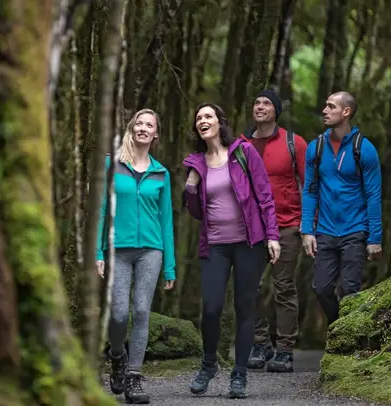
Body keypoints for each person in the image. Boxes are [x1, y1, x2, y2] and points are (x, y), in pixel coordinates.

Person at [182, 102, 281, 399]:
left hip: (249, 243)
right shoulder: (196, 162)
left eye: (208, 116)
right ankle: (208, 364)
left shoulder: (243, 152)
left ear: (219, 122)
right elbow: (197, 212)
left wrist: (273, 236)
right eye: (198, 117)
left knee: (244, 307)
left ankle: (239, 374)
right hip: (215, 244)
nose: (203, 120)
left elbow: (265, 196)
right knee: (211, 307)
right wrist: (190, 187)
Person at [96, 108, 176, 404]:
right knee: (118, 313)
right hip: (118, 249)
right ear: (132, 128)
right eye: (139, 123)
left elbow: (166, 221)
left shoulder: (161, 173)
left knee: (141, 310)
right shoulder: (112, 165)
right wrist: (97, 251)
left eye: (149, 125)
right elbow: (101, 210)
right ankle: (117, 355)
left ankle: (134, 376)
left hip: (151, 251)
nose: (143, 128)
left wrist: (170, 267)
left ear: (155, 134)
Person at [239, 89, 307, 373]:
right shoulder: (241, 144)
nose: (260, 106)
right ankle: (259, 342)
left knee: (284, 288)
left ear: (276, 111)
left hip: (287, 225)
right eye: (256, 102)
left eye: (266, 103)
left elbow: (310, 184)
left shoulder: (294, 143)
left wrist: (309, 225)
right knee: (248, 288)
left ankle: (285, 350)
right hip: (251, 228)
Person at [301, 91, 383, 326]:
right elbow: (309, 191)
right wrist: (307, 229)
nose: (324, 111)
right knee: (320, 287)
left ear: (346, 112)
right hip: (325, 230)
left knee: (350, 289)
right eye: (325, 106)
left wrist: (374, 238)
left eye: (331, 107)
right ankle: (339, 326)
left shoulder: (364, 149)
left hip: (355, 231)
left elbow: (374, 196)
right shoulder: (315, 148)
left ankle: (347, 341)